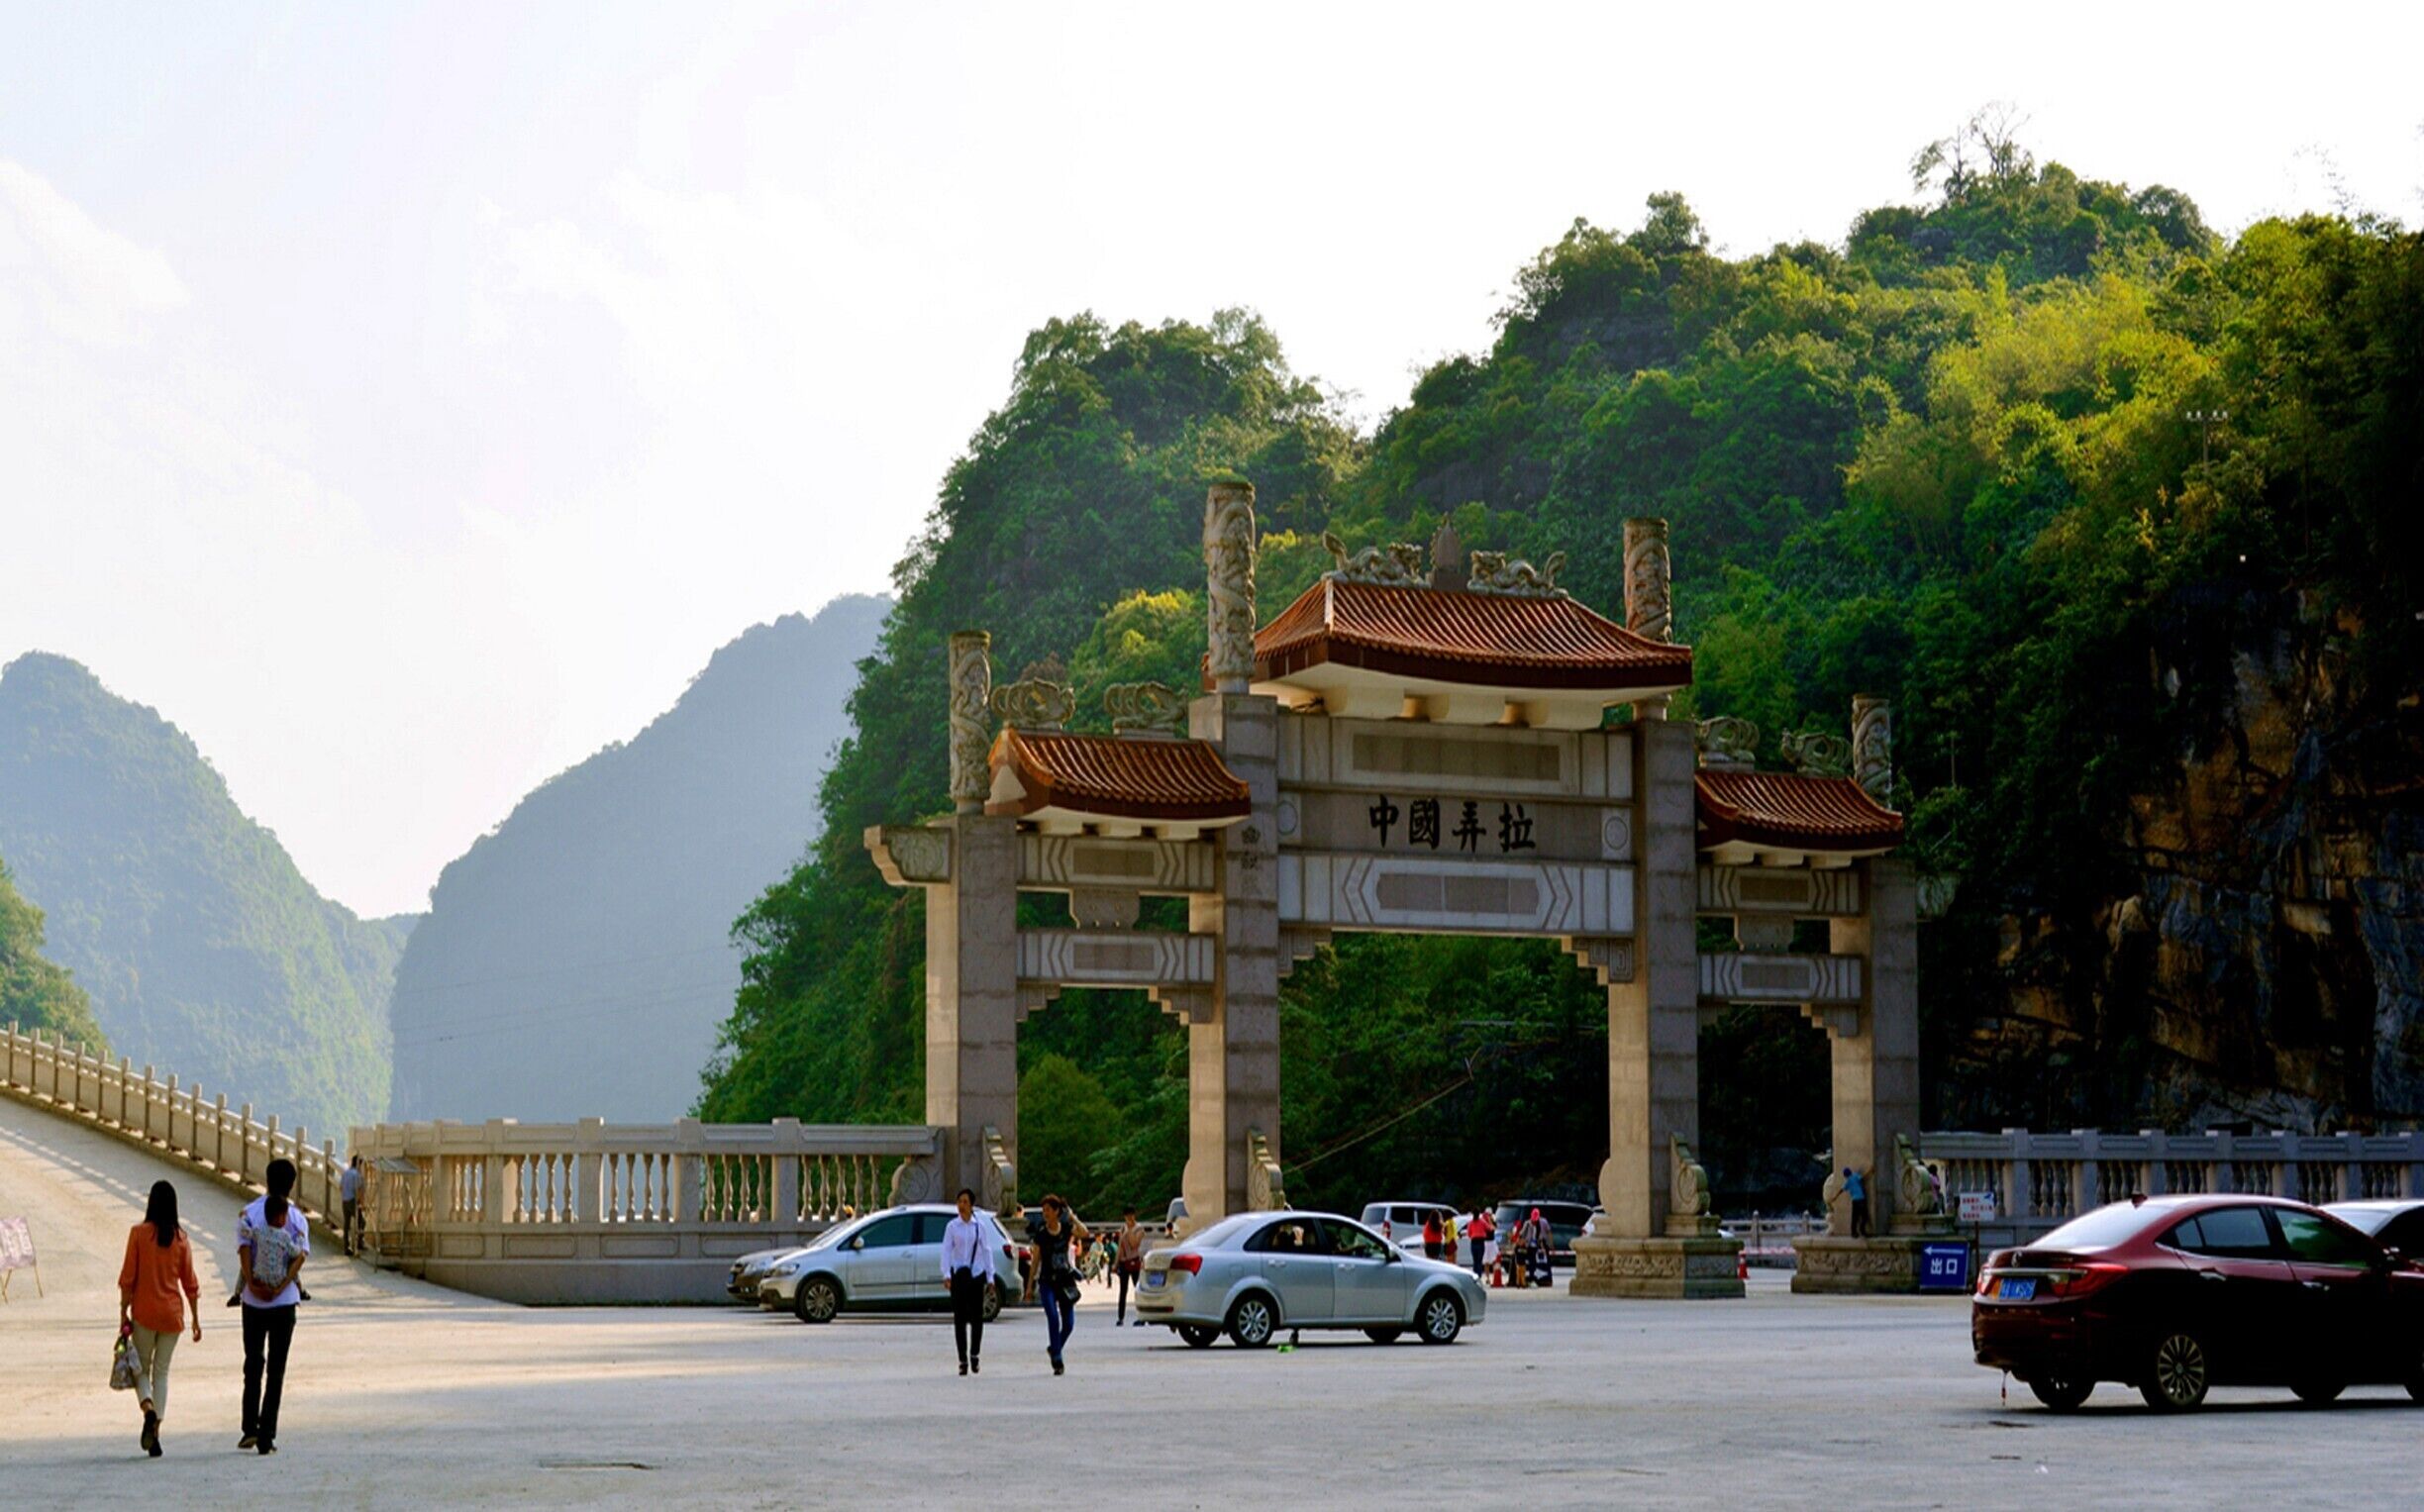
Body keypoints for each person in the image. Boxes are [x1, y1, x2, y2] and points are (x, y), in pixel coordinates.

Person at [118, 1179, 201, 1458]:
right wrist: (196, 1319)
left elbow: (128, 1277)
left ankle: (148, 1409)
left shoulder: (139, 1234)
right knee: (162, 1372)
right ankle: (156, 1430)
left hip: (144, 1312)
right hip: (172, 1315)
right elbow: (190, 1284)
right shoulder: (181, 1239)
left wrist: (123, 1311)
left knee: (141, 1368)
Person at [237, 1157, 309, 1454]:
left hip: (253, 1301)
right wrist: (281, 1286)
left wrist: (252, 1283)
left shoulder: (250, 1212)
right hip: (284, 1303)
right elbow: (300, 1257)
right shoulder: (296, 1218)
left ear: (266, 1180)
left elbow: (243, 1249)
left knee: (253, 1363)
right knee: (276, 1369)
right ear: (292, 1185)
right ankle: (267, 1435)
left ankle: (249, 1429)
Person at [1026, 1194, 1088, 1375]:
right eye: (1043, 1210)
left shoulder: (1066, 1229)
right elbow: (1035, 1261)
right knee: (1053, 1317)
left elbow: (1084, 1232)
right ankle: (1057, 1359)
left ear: (1056, 1211)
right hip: (1047, 1281)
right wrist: (1029, 1286)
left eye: (1048, 1210)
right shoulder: (1041, 1234)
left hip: (1065, 1281)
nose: (1045, 1213)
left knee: (1068, 1324)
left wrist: (1073, 1217)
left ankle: (1055, 1347)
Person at [938, 1187, 994, 1376]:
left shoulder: (979, 1227)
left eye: (965, 1202)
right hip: (959, 1275)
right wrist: (946, 1274)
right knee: (960, 1318)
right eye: (959, 1202)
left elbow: (986, 1251)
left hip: (976, 1274)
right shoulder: (952, 1227)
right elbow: (946, 1250)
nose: (962, 1206)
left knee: (977, 1318)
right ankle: (962, 1359)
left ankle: (974, 1354)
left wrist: (990, 1276)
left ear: (971, 1205)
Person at [1114, 1209, 1146, 1327]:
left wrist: (1129, 1231)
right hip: (1124, 1262)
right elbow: (1120, 1247)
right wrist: (1116, 1263)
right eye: (1127, 1216)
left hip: (1134, 1261)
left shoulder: (1139, 1229)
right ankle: (1120, 1317)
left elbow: (1134, 1244)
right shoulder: (1123, 1228)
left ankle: (1141, 1316)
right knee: (1123, 1291)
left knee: (1137, 1289)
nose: (1129, 1218)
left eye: (1131, 1215)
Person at [339, 1155, 364, 1258]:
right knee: (361, 1221)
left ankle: (346, 1247)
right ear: (358, 1164)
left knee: (346, 1225)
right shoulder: (356, 1175)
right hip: (352, 1201)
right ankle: (359, 1243)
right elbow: (358, 1190)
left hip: (344, 1201)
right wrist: (360, 1203)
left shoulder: (345, 1173)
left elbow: (340, 1187)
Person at [1843, 1165, 1869, 1238]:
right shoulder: (1855, 1176)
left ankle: (1853, 1232)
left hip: (1855, 1200)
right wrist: (1870, 1171)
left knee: (1855, 1217)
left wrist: (1835, 1197)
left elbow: (1842, 1189)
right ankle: (1862, 1230)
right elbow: (1863, 1178)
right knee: (1864, 1216)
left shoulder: (1848, 1182)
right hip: (1861, 1199)